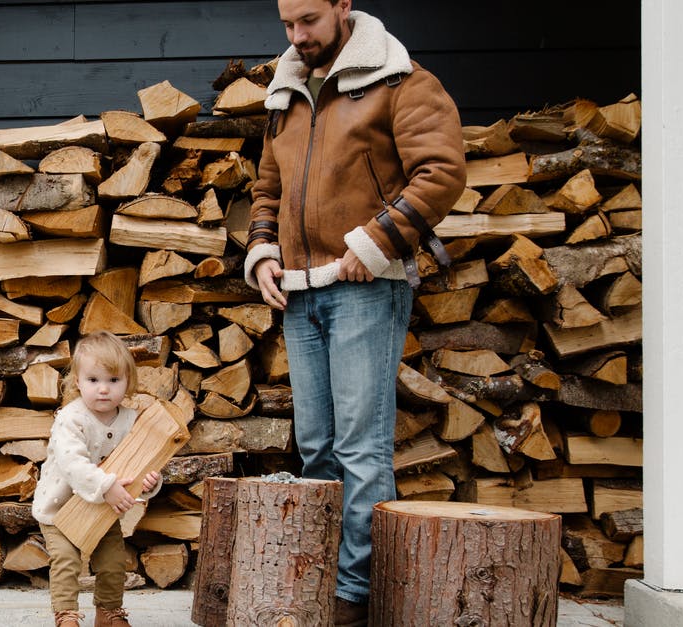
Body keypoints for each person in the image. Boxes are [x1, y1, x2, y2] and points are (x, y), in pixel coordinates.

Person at [242, 1, 466, 625]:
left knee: (361, 451)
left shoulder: (401, 80)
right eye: (288, 24)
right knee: (315, 449)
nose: (297, 36)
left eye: (309, 20)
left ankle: (352, 600)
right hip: (298, 289)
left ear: (343, 7)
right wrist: (263, 252)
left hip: (366, 286)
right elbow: (268, 188)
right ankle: (317, 586)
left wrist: (377, 242)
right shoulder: (285, 91)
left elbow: (442, 171)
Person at [32, 330, 162, 627]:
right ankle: (66, 615)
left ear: (128, 382)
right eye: (93, 380)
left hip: (102, 510)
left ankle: (108, 612)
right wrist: (106, 485)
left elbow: (140, 460)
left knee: (113, 562)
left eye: (113, 380)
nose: (103, 389)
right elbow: (72, 463)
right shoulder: (70, 418)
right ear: (77, 381)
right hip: (59, 507)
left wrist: (150, 481)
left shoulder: (130, 420)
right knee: (67, 561)